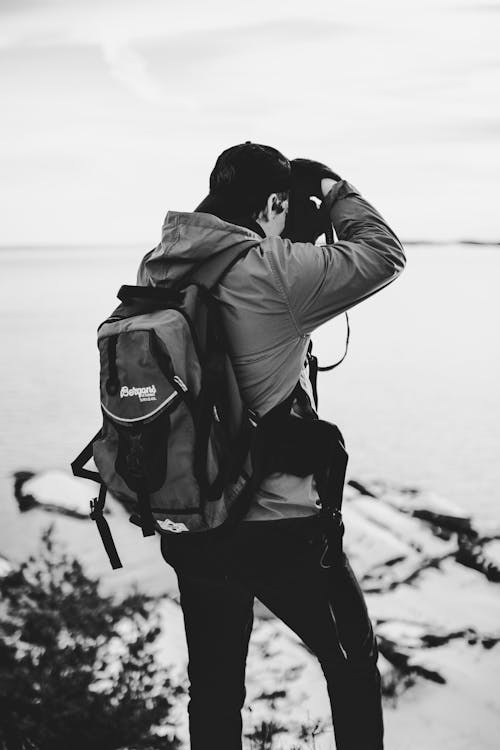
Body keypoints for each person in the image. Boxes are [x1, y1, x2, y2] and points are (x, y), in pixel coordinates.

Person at [137, 142, 406, 750]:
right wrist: (334, 191)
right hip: (280, 527)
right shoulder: (273, 270)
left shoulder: (160, 264)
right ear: (276, 202)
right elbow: (384, 254)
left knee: (212, 688)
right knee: (352, 663)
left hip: (195, 519)